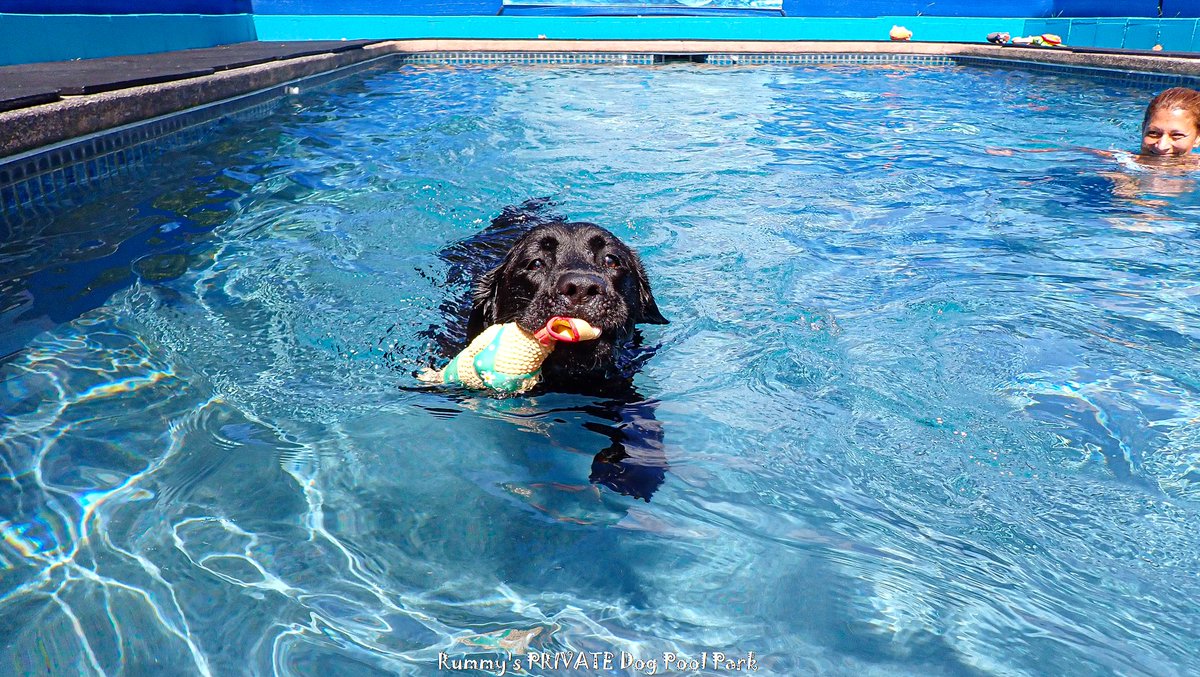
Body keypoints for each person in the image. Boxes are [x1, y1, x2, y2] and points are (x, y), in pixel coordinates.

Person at [1139, 87, 1200, 157]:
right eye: (1153, 133)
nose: (1161, 147)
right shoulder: (1125, 161)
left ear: (1198, 138)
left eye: (1177, 135)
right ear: (1143, 130)